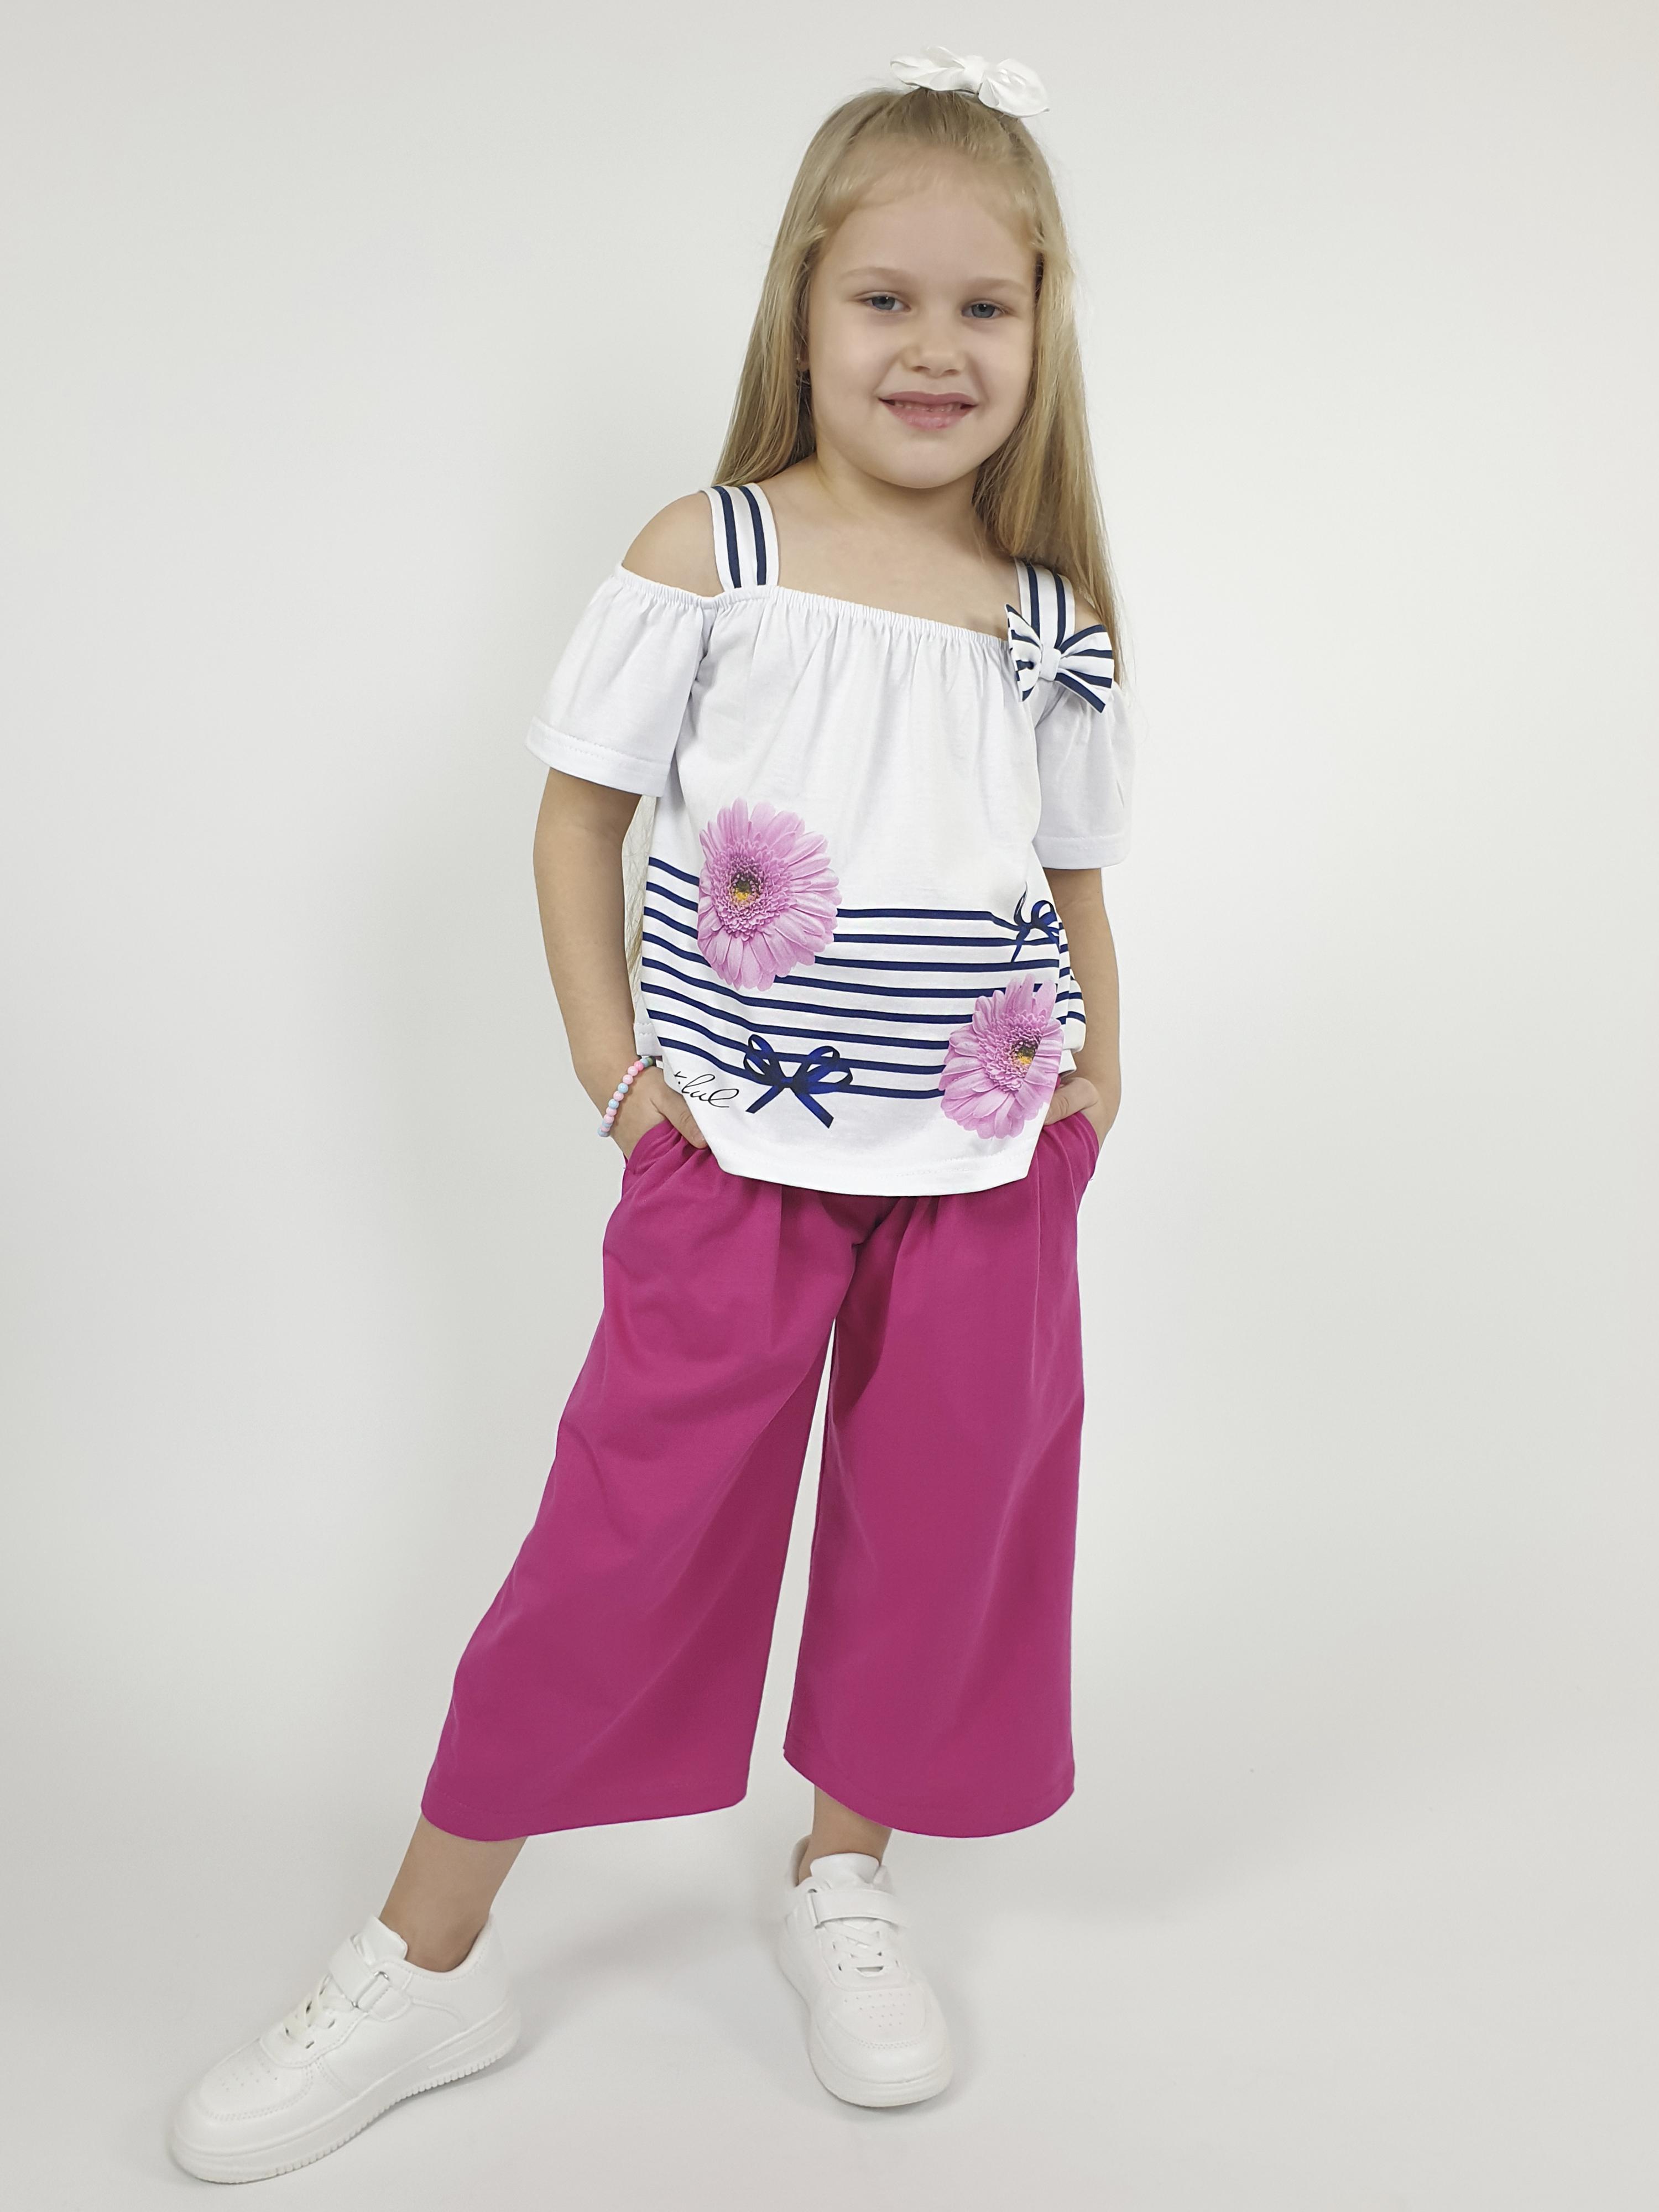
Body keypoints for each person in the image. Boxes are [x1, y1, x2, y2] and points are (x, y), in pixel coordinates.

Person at [169, 45, 1139, 2184]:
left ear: (1042, 328)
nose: (936, 347)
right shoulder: (710, 557)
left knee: (937, 1525)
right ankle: (428, 1960)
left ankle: (842, 1875)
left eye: (985, 307)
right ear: (803, 305)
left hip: (984, 1163)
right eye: (886, 299)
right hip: (738, 1160)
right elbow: (577, 820)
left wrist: (1101, 1065)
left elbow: (1068, 867)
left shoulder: (1049, 618)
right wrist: (615, 1073)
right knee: (622, 1541)